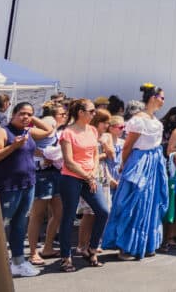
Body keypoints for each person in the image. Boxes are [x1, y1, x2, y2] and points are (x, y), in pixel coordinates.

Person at [102, 83, 169, 259]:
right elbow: (128, 146)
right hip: (140, 161)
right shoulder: (138, 120)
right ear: (153, 98)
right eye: (161, 97)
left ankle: (146, 243)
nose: (163, 101)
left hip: (154, 162)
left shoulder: (154, 120)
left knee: (151, 201)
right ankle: (127, 245)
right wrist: (124, 164)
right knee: (134, 201)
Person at [0, 102, 48, 278]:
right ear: (13, 114)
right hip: (7, 186)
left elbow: (49, 131)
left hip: (28, 184)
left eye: (29, 114)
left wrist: (33, 117)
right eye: (22, 113)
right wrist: (13, 147)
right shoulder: (2, 132)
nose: (25, 117)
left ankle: (18, 262)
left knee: (19, 225)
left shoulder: (28, 131)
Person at [58, 99, 110, 271]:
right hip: (71, 177)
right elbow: (69, 161)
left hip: (90, 177)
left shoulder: (93, 130)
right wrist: (88, 176)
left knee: (103, 211)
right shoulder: (68, 132)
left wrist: (92, 174)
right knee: (69, 216)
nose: (94, 113)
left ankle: (92, 248)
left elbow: (95, 154)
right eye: (92, 111)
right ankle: (66, 257)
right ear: (80, 112)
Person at [27, 101, 66, 266]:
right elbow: (34, 144)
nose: (65, 116)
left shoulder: (56, 127)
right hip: (43, 173)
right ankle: (33, 252)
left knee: (57, 212)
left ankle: (47, 247)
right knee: (38, 214)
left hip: (53, 172)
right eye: (62, 114)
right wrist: (43, 155)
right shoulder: (50, 122)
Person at [76, 109, 115, 257]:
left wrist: (104, 146)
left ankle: (94, 242)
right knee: (88, 212)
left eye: (108, 122)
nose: (106, 125)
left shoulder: (107, 136)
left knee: (102, 211)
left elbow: (112, 155)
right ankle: (81, 245)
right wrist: (99, 155)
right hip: (89, 174)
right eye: (104, 122)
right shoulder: (87, 133)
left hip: (102, 174)